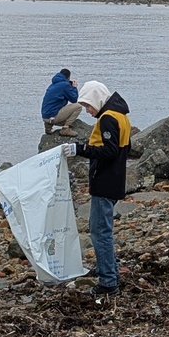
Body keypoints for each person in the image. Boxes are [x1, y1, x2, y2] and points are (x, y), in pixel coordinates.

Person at [63, 81, 130, 298]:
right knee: (102, 230)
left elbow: (109, 151)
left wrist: (79, 149)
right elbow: (122, 149)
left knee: (100, 232)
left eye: (88, 106)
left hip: (105, 184)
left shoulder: (108, 118)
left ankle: (108, 281)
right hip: (115, 181)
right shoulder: (121, 115)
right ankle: (109, 271)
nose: (88, 111)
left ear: (96, 99)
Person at [41, 69, 81, 135]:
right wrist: (74, 88)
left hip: (45, 116)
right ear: (68, 78)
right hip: (53, 116)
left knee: (54, 106)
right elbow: (74, 99)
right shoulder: (65, 85)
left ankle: (48, 126)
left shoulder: (53, 84)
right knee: (78, 106)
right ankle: (65, 129)